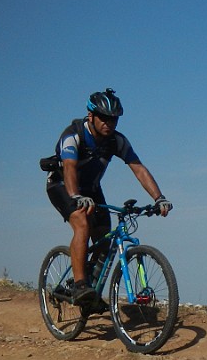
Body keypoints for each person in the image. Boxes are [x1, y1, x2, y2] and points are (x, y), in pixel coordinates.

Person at [46, 88, 172, 306]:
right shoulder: (73, 136)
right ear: (91, 116)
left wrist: (159, 197)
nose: (109, 123)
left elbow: (138, 168)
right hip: (62, 185)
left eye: (114, 119)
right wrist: (75, 195)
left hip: (92, 190)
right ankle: (79, 285)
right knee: (82, 224)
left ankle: (90, 295)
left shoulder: (117, 141)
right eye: (104, 118)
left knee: (104, 242)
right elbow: (69, 167)